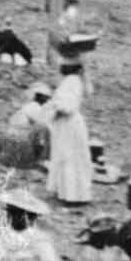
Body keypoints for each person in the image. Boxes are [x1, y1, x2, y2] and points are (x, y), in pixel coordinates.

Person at [46, 63, 94, 206]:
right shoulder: (74, 81)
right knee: (68, 156)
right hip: (67, 125)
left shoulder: (72, 81)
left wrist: (53, 111)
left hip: (69, 124)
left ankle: (73, 195)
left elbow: (67, 107)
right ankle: (68, 192)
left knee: (69, 157)